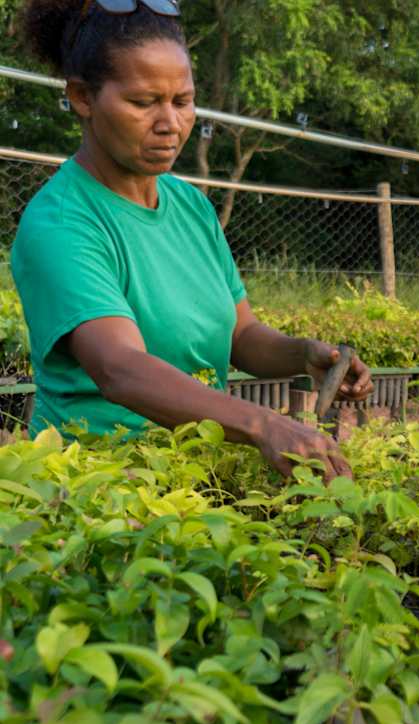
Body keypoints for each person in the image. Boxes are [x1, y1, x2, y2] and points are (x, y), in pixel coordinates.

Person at [11, 0, 373, 481]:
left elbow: (241, 337)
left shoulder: (192, 207)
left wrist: (303, 354)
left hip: (196, 478)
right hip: (98, 490)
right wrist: (263, 423)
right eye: (143, 103)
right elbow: (120, 368)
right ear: (82, 97)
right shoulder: (62, 223)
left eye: (182, 101)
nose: (170, 123)